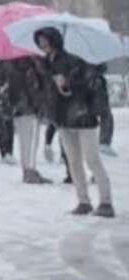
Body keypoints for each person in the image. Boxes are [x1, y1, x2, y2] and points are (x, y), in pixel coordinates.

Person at [35, 26, 115, 217]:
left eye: (45, 40)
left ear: (54, 40)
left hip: (82, 116)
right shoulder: (44, 65)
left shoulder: (73, 61)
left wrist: (67, 84)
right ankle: (83, 201)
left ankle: (106, 202)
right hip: (62, 118)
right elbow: (46, 91)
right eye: (39, 41)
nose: (42, 44)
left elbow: (88, 85)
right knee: (73, 161)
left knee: (92, 159)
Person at [9, 55, 50, 183]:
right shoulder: (29, 66)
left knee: (25, 140)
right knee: (31, 140)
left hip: (19, 107)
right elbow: (34, 88)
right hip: (29, 107)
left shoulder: (11, 64)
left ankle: (27, 169)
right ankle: (30, 170)